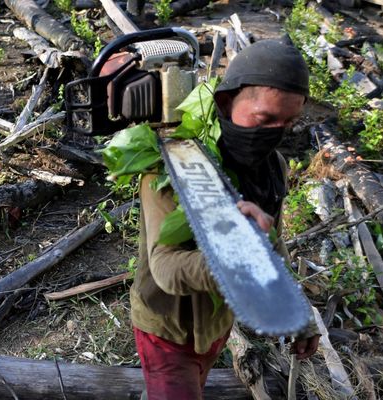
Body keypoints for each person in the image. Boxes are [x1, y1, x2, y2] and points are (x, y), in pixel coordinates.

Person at [129, 39, 320, 399]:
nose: (274, 132)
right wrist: (235, 258)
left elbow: (272, 243)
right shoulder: (172, 167)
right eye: (265, 119)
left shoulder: (271, 168)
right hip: (166, 329)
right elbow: (165, 268)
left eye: (287, 122)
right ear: (225, 101)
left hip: (217, 324)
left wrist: (299, 315)